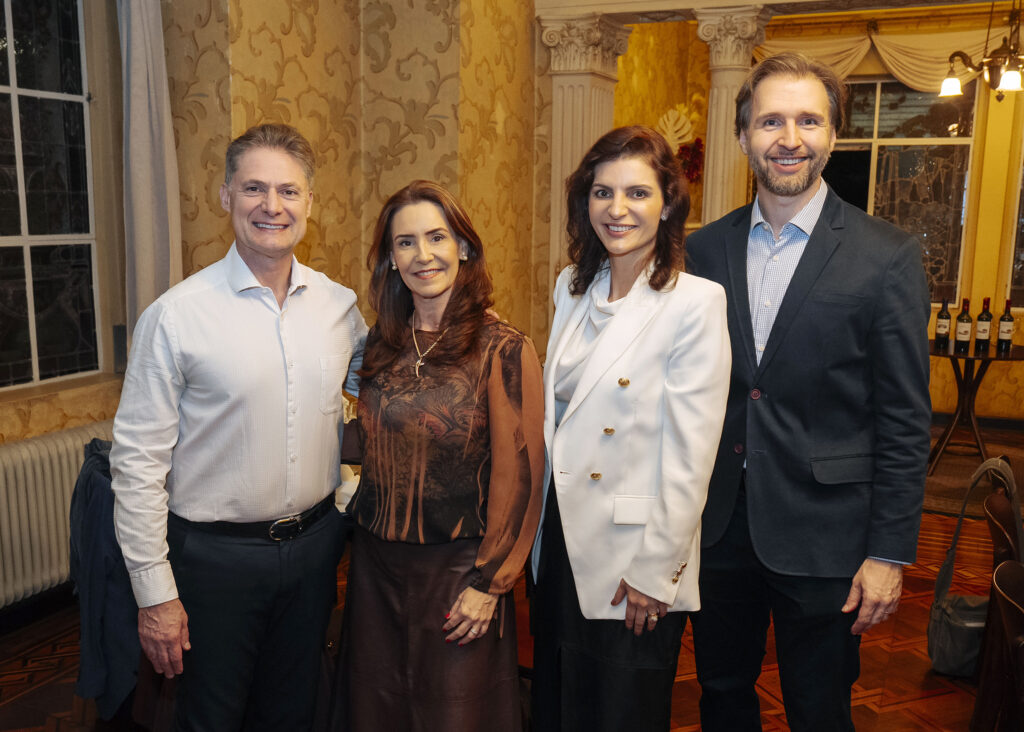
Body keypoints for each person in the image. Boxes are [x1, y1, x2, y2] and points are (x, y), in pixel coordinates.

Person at [685, 53, 932, 732]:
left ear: (833, 134)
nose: (789, 138)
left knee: (819, 710)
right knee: (721, 696)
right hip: (719, 529)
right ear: (743, 135)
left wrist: (888, 554)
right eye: (771, 121)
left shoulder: (886, 256)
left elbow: (905, 420)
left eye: (808, 121)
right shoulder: (703, 251)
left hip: (829, 538)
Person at [110, 123, 367, 730]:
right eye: (254, 188)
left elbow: (384, 391)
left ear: (310, 202)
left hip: (314, 553)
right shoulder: (175, 317)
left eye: (288, 191)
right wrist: (156, 595)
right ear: (226, 195)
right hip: (213, 563)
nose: (272, 205)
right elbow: (137, 464)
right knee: (212, 718)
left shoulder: (340, 307)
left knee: (295, 712)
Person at [530, 125, 731, 731]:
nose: (617, 209)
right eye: (602, 192)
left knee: (622, 714)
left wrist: (655, 571)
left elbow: (693, 457)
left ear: (667, 204)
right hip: (561, 539)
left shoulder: (695, 301)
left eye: (637, 193)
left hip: (633, 556)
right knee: (559, 706)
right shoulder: (571, 287)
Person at [335, 180, 544, 731]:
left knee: (456, 716)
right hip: (375, 569)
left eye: (436, 237)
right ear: (390, 258)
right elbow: (369, 439)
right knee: (377, 712)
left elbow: (521, 476)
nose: (422, 255)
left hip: (459, 571)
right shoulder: (379, 343)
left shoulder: (502, 347)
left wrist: (490, 582)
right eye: (405, 242)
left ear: (464, 247)